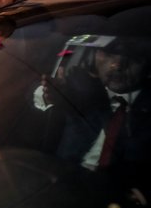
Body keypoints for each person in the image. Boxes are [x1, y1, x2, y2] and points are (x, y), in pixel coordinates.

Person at [37, 37, 151, 171]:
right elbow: (31, 96)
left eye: (133, 57)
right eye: (109, 53)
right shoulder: (80, 90)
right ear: (94, 57)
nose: (117, 65)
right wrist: (49, 94)